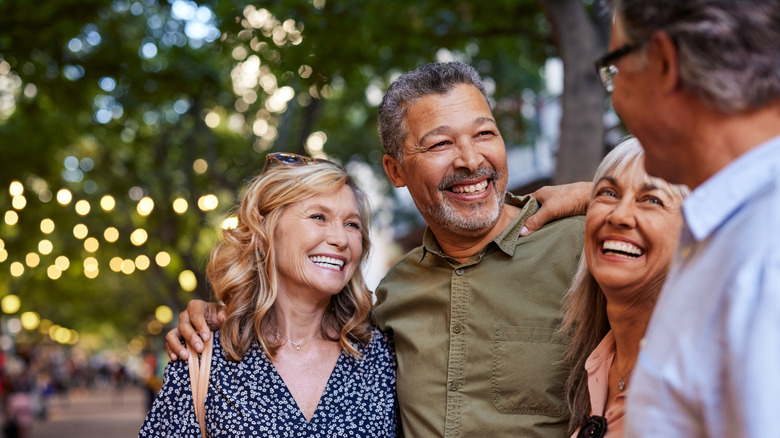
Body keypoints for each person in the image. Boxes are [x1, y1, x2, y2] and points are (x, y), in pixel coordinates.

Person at [166, 62, 590, 437]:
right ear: (396, 170)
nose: (469, 159)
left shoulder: (581, 248)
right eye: (440, 144)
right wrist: (214, 313)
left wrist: (603, 194)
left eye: (485, 133)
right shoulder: (390, 302)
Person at [596, 1, 780, 436]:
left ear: (663, 62)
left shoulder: (763, 259)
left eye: (614, 69)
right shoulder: (728, 232)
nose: (616, 96)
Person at [140, 154, 398, 437]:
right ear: (265, 231)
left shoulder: (383, 355)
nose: (340, 239)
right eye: (318, 217)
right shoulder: (204, 357)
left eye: (352, 224)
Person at [559, 138, 688, 438]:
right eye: (608, 193)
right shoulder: (598, 363)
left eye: (652, 199)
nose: (618, 216)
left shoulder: (699, 376)